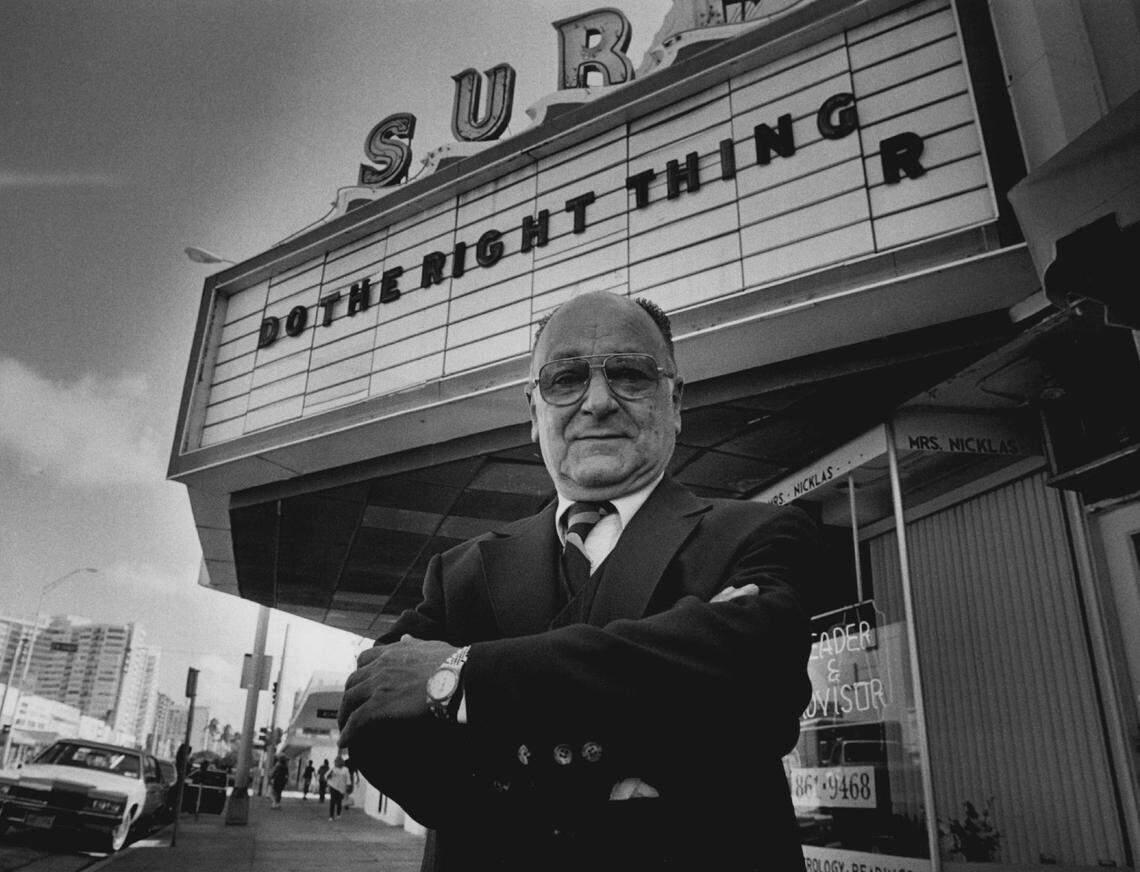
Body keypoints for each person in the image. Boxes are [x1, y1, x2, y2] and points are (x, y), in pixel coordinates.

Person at [338, 292, 819, 871]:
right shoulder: (459, 572)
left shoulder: (759, 533)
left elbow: (751, 681)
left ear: (676, 401)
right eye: (565, 379)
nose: (597, 402)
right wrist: (653, 727)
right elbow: (372, 717)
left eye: (630, 375)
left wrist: (460, 678)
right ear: (533, 412)